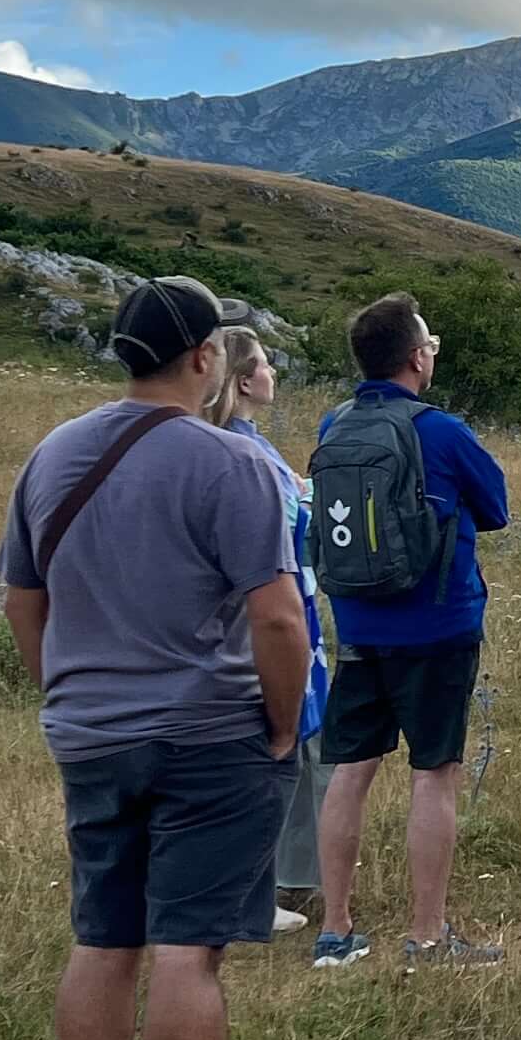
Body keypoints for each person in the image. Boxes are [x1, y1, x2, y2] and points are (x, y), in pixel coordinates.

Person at [0, 275, 306, 1040]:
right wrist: (286, 727)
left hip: (91, 735)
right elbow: (277, 616)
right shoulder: (229, 466)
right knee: (187, 952)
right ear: (205, 359)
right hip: (206, 736)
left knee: (103, 941)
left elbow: (21, 599)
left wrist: (70, 692)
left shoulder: (51, 456)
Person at [310, 292, 515, 969]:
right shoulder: (443, 431)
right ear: (413, 357)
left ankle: (336, 930)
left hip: (359, 625)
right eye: (428, 343)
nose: (431, 353)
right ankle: (427, 935)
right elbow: (496, 508)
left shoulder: (334, 425)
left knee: (351, 771)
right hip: (437, 624)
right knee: (434, 775)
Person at [199, 325, 331, 936]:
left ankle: (272, 878)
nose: (274, 374)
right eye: (267, 366)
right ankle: (247, 890)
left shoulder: (225, 444)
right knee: (266, 746)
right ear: (247, 380)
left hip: (270, 604)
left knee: (279, 747)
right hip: (275, 604)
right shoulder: (242, 451)